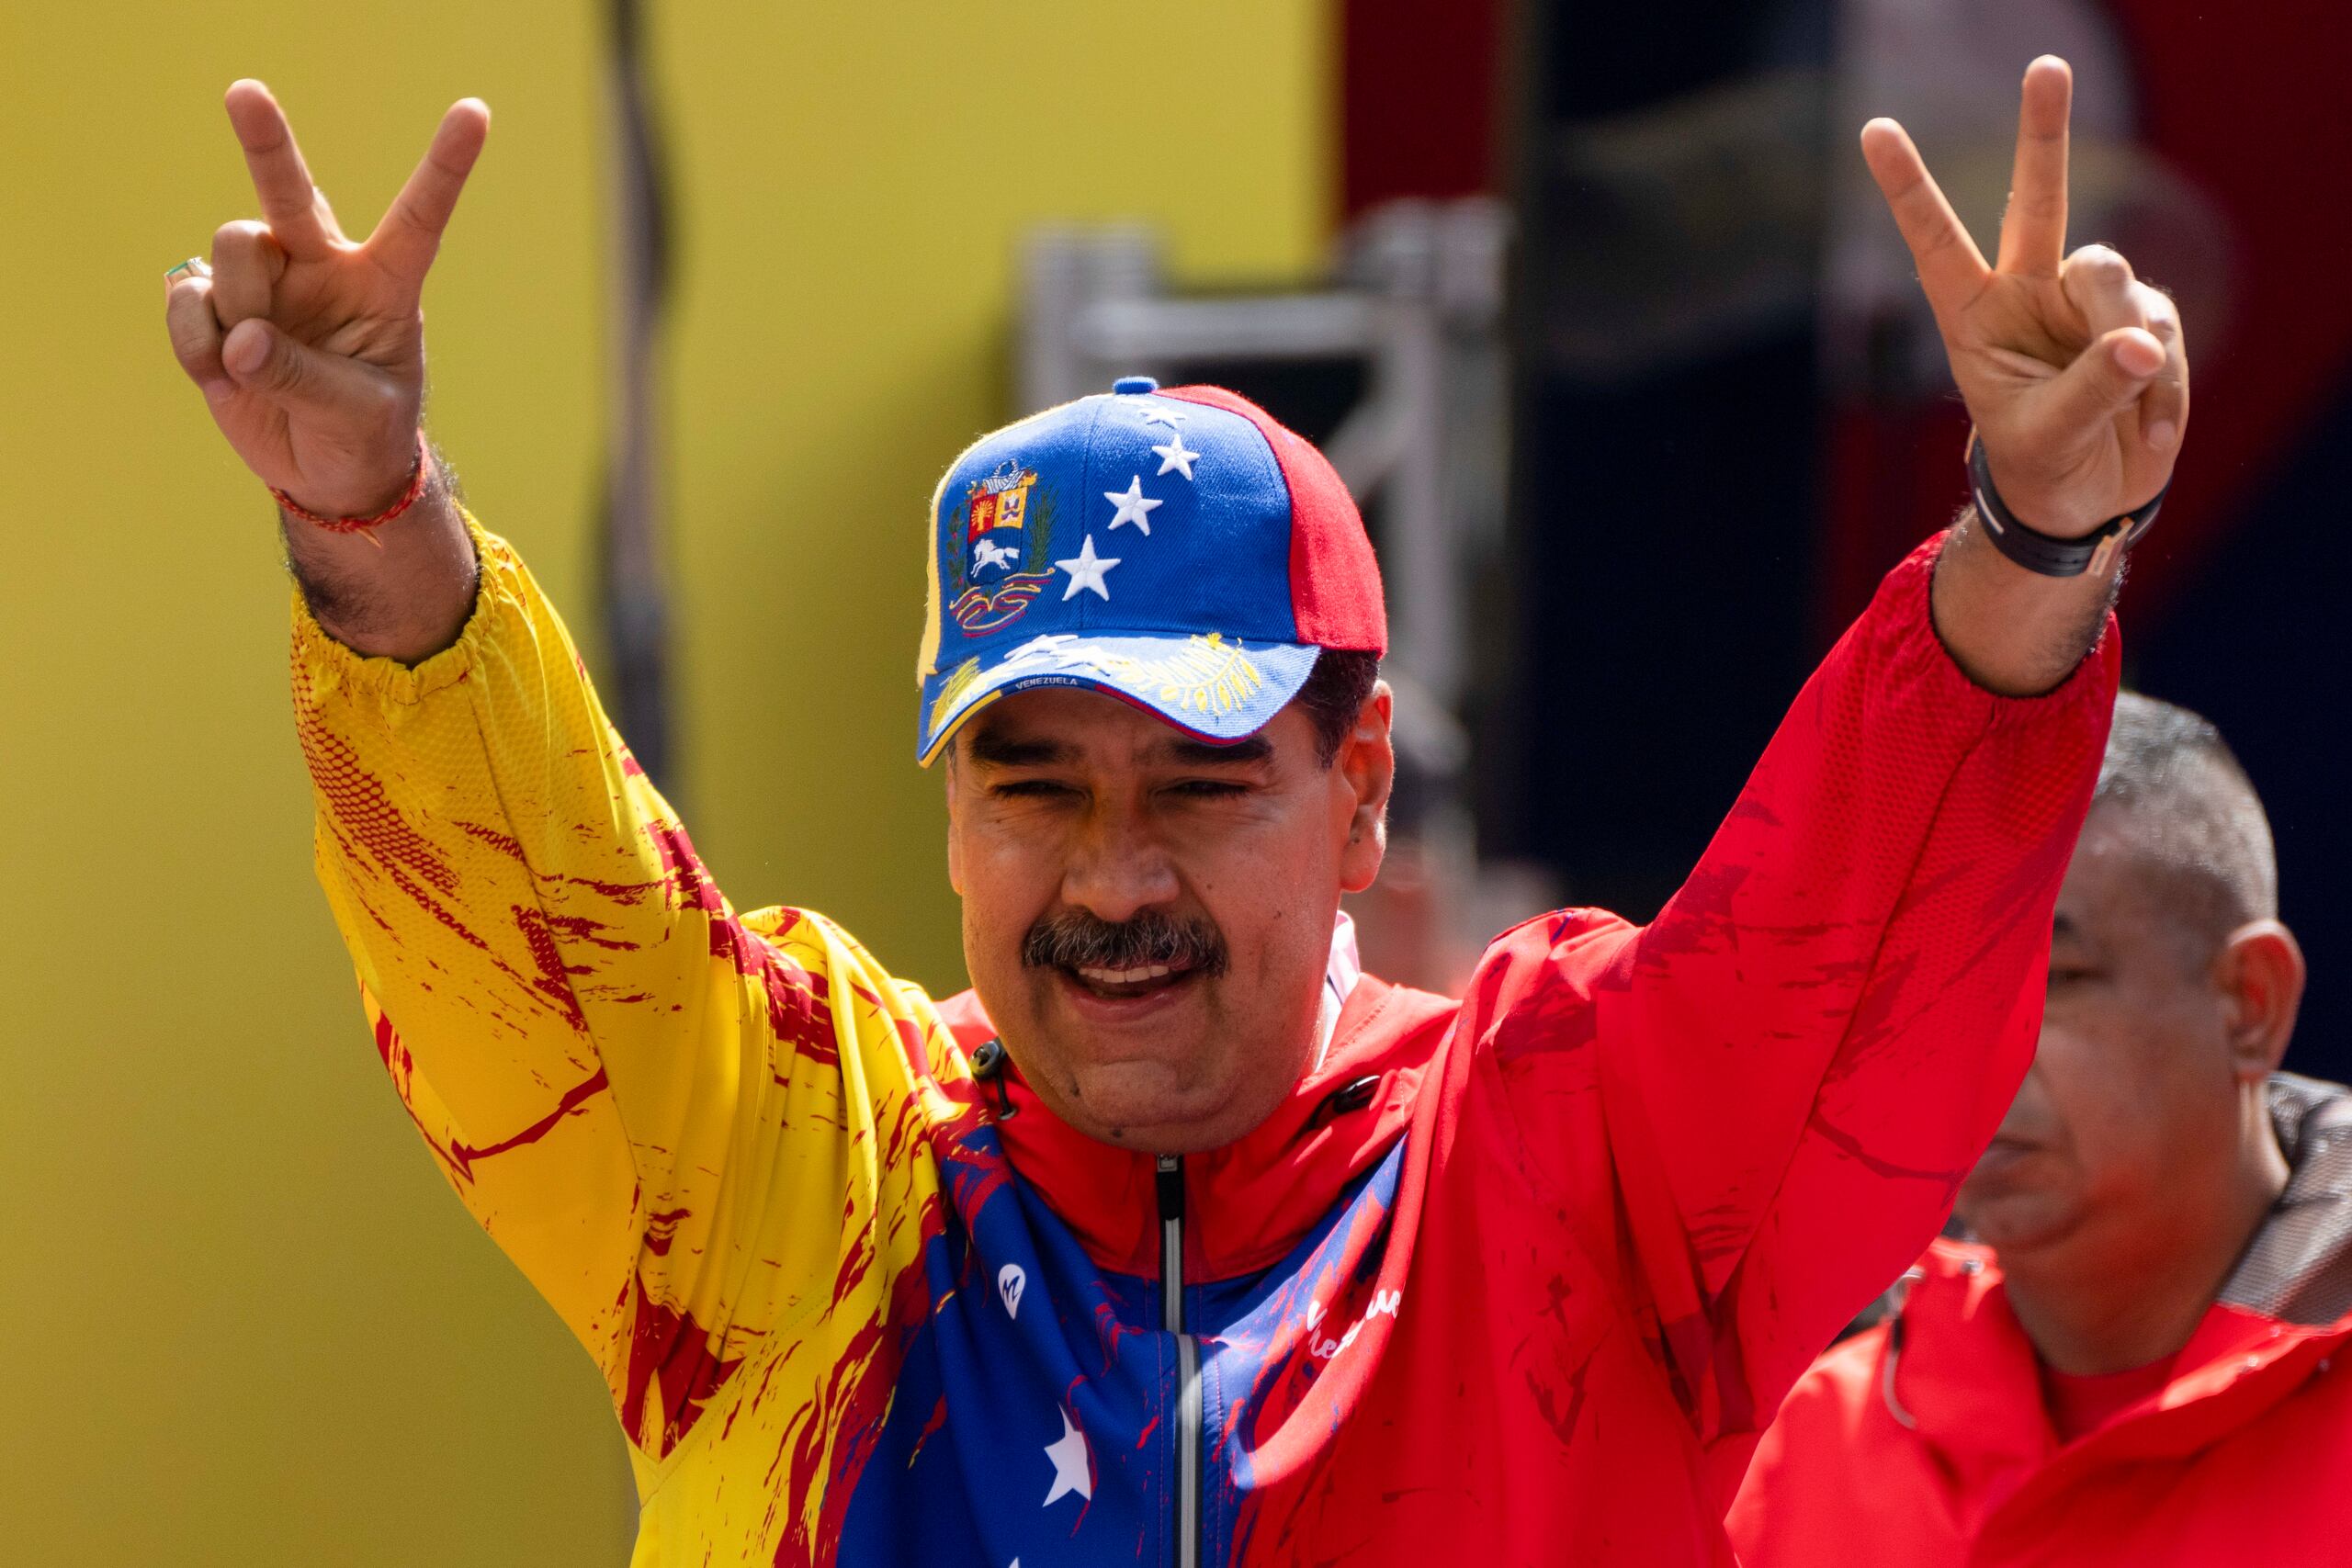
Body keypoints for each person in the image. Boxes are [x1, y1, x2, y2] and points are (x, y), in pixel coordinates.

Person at [163, 55, 2188, 1568]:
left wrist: (2025, 537)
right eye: (1029, 781)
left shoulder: (1564, 1152)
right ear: (950, 805)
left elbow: (1846, 933)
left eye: (1199, 783)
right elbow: (538, 906)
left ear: (1358, 794)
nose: (1106, 879)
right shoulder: (796, 1181)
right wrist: (368, 518)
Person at [1728, 694, 2352, 1566]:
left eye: (2051, 978)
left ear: (2250, 1002)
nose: (1964, 1047)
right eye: (1922, 984)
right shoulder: (1807, 1450)